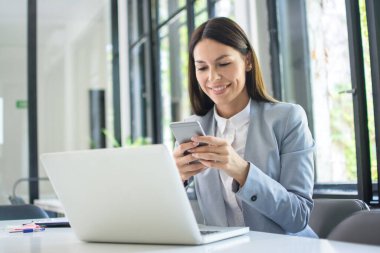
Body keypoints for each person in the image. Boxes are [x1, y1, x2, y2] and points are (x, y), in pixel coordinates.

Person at [172, 17, 317, 237]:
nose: (213, 77)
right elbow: (170, 215)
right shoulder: (192, 128)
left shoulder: (288, 119)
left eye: (223, 64)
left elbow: (298, 216)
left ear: (247, 61)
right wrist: (176, 178)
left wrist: (240, 169)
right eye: (202, 67)